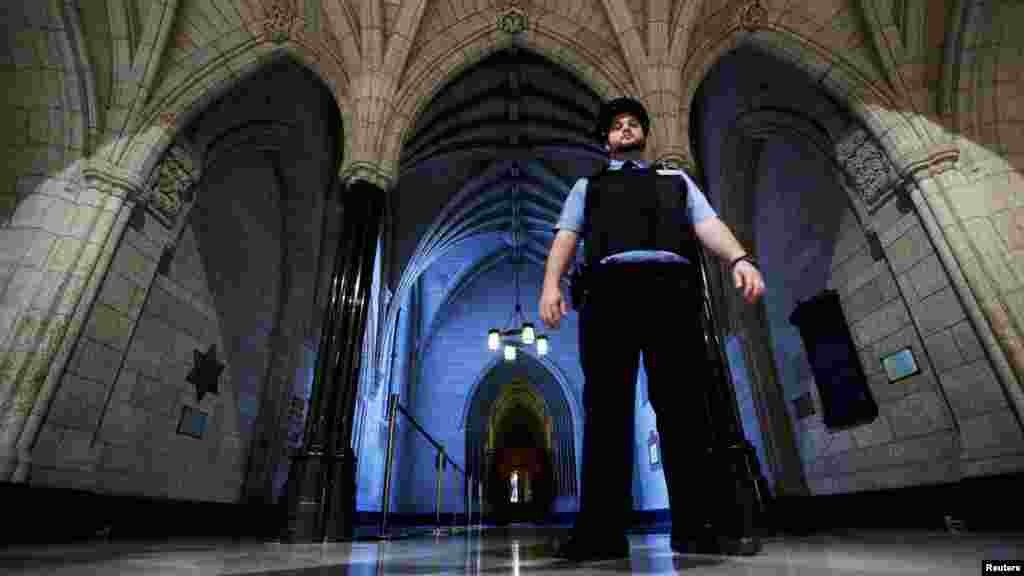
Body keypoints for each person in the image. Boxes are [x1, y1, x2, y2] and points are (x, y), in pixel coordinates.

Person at [538, 97, 765, 562]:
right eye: (617, 125)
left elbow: (708, 224)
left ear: (644, 135)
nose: (625, 129)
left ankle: (696, 526)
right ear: (607, 139)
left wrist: (739, 258)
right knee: (607, 413)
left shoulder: (675, 181)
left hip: (671, 294)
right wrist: (550, 285)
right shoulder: (589, 186)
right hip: (608, 295)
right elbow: (566, 235)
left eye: (633, 124)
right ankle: (601, 533)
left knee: (685, 411)